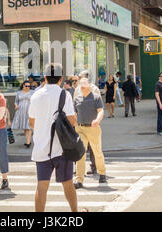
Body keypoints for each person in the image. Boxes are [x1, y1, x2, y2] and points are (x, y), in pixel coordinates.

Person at [28, 63, 78, 212]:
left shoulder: (36, 95)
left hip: (42, 148)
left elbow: (31, 122)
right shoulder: (65, 94)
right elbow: (71, 120)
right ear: (61, 79)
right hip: (63, 148)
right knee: (68, 184)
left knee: (41, 187)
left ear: (44, 77)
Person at [73, 77, 106, 189]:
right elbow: (74, 114)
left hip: (93, 128)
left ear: (89, 85)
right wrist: (74, 124)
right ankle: (79, 180)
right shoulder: (77, 99)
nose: (82, 86)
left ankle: (102, 173)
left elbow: (101, 111)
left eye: (84, 84)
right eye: (80, 84)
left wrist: (97, 120)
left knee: (97, 152)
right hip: (80, 128)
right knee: (80, 155)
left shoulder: (96, 97)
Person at [11, 80, 34, 148]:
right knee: (24, 127)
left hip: (29, 110)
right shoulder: (19, 93)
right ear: (23, 86)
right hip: (21, 111)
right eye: (26, 86)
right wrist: (16, 105)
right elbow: (16, 101)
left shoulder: (33, 92)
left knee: (28, 127)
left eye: (29, 86)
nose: (28, 87)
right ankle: (28, 140)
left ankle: (28, 142)